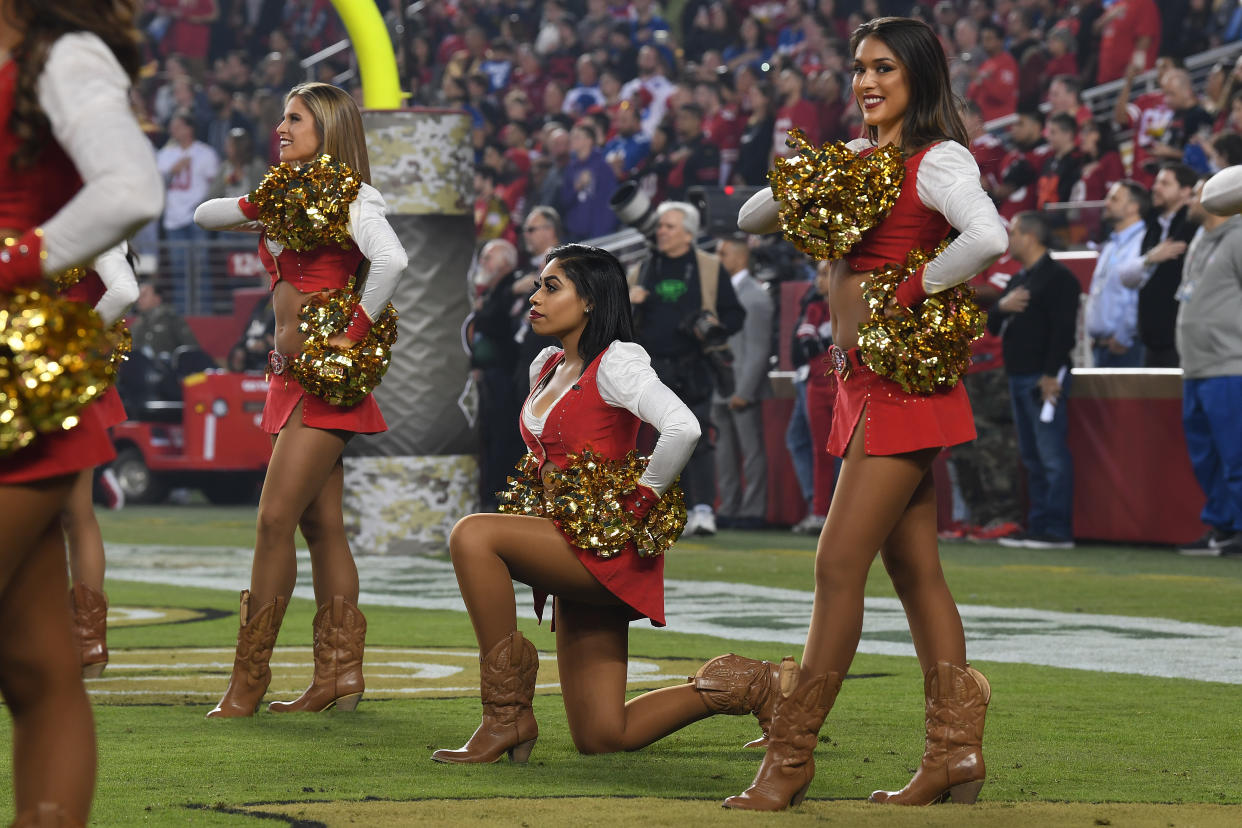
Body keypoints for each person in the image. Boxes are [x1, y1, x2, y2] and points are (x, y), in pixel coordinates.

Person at [733, 16, 1007, 810]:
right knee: (916, 571)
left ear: (919, 76)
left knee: (834, 566)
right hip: (862, 383)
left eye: (884, 67)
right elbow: (756, 215)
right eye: (858, 69)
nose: (866, 81)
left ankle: (789, 760)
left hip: (901, 384)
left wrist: (913, 289)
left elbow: (987, 237)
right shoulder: (859, 161)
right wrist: (820, 169)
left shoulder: (939, 159)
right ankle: (954, 755)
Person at [433, 243, 782, 765]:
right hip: (568, 541)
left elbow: (683, 427)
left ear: (591, 299)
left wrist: (641, 501)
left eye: (552, 287)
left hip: (603, 546)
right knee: (602, 735)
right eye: (537, 285)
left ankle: (505, 717)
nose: (537, 296)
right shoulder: (546, 363)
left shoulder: (619, 361)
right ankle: (761, 685)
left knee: (473, 534)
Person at [193, 81, 408, 718]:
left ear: (330, 130)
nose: (281, 129)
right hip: (287, 374)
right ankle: (338, 675)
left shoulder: (355, 195)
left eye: (295, 120)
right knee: (321, 526)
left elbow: (391, 261)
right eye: (281, 117)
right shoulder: (283, 194)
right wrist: (253, 202)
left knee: (271, 520)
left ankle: (248, 680)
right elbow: (204, 215)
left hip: (323, 377)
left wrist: (354, 332)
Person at [0, 0, 164, 823]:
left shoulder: (58, 58)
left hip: (10, 386)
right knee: (34, 666)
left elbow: (132, 187)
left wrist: (23, 258)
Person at [627, 201, 745, 536]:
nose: (660, 231)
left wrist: (711, 324)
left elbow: (735, 315)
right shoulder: (644, 268)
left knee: (698, 438)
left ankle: (704, 508)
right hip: (651, 370)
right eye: (660, 226)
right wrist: (629, 302)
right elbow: (620, 324)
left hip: (695, 366)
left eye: (669, 226)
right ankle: (655, 509)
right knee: (651, 442)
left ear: (689, 233)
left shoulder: (709, 266)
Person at [60, 246, 140, 679]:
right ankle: (86, 645)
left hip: (60, 379)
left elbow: (125, 289)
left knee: (67, 514)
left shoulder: (94, 218)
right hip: (27, 377)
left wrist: (72, 339)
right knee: (73, 515)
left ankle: (83, 641)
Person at [988, 212, 1082, 550]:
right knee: (1031, 455)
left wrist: (1050, 374)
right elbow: (994, 326)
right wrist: (1002, 306)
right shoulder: (1018, 281)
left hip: (1042, 377)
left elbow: (1063, 332)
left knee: (1051, 454)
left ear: (1029, 236)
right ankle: (1039, 524)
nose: (1008, 240)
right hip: (1017, 376)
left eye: (1013, 233)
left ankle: (1056, 529)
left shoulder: (1060, 279)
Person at [1174, 176, 1242, 557]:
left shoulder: (1239, 236)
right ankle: (1222, 525)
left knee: (1235, 454)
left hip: (1231, 363)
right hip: (1197, 365)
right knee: (1206, 456)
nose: (1190, 199)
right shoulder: (1200, 238)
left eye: (1198, 192)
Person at [712, 237, 772, 530]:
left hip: (740, 386)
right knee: (723, 452)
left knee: (751, 451)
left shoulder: (755, 296)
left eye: (722, 253)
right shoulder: (724, 293)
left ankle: (753, 509)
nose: (717, 257)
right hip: (720, 384)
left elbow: (759, 350)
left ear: (739, 257)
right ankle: (730, 506)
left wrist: (745, 390)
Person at [1126, 162, 1196, 368]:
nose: (1156, 188)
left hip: (1180, 337)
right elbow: (1126, 277)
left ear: (1185, 191)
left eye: (1165, 183)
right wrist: (1150, 258)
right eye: (1157, 182)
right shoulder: (1153, 227)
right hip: (1150, 337)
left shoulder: (1192, 226)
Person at [155, 108, 219, 313]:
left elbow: (214, 187)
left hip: (197, 216)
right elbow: (154, 185)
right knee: (179, 270)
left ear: (189, 128)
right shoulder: (165, 154)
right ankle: (183, 313)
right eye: (172, 127)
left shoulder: (205, 153)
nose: (173, 130)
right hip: (173, 218)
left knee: (201, 268)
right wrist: (172, 171)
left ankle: (204, 312)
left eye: (178, 126)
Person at [1085, 180, 1150, 367]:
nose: (1107, 203)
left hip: (1126, 348)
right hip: (1102, 346)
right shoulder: (1112, 244)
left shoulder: (1142, 241)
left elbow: (1139, 293)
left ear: (1132, 207)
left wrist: (1123, 336)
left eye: (1114, 198)